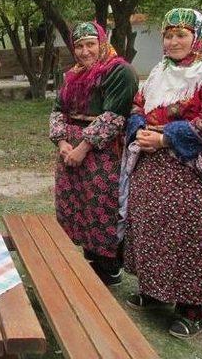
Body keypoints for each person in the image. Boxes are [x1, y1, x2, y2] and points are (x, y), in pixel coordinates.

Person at [121, 8, 202, 338]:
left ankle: (195, 309)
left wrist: (165, 138)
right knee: (153, 231)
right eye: (169, 35)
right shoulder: (159, 71)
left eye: (181, 35)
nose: (172, 41)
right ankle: (156, 292)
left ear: (197, 37)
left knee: (191, 237)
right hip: (153, 168)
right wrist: (139, 129)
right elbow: (138, 106)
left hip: (192, 172)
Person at [49, 21, 138, 286]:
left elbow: (114, 116)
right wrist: (62, 142)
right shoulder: (73, 75)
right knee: (75, 204)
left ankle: (110, 268)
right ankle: (91, 260)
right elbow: (58, 109)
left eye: (90, 44)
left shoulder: (119, 72)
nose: (85, 51)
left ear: (101, 43)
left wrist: (82, 147)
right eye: (79, 46)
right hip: (70, 150)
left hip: (101, 152)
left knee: (101, 205)